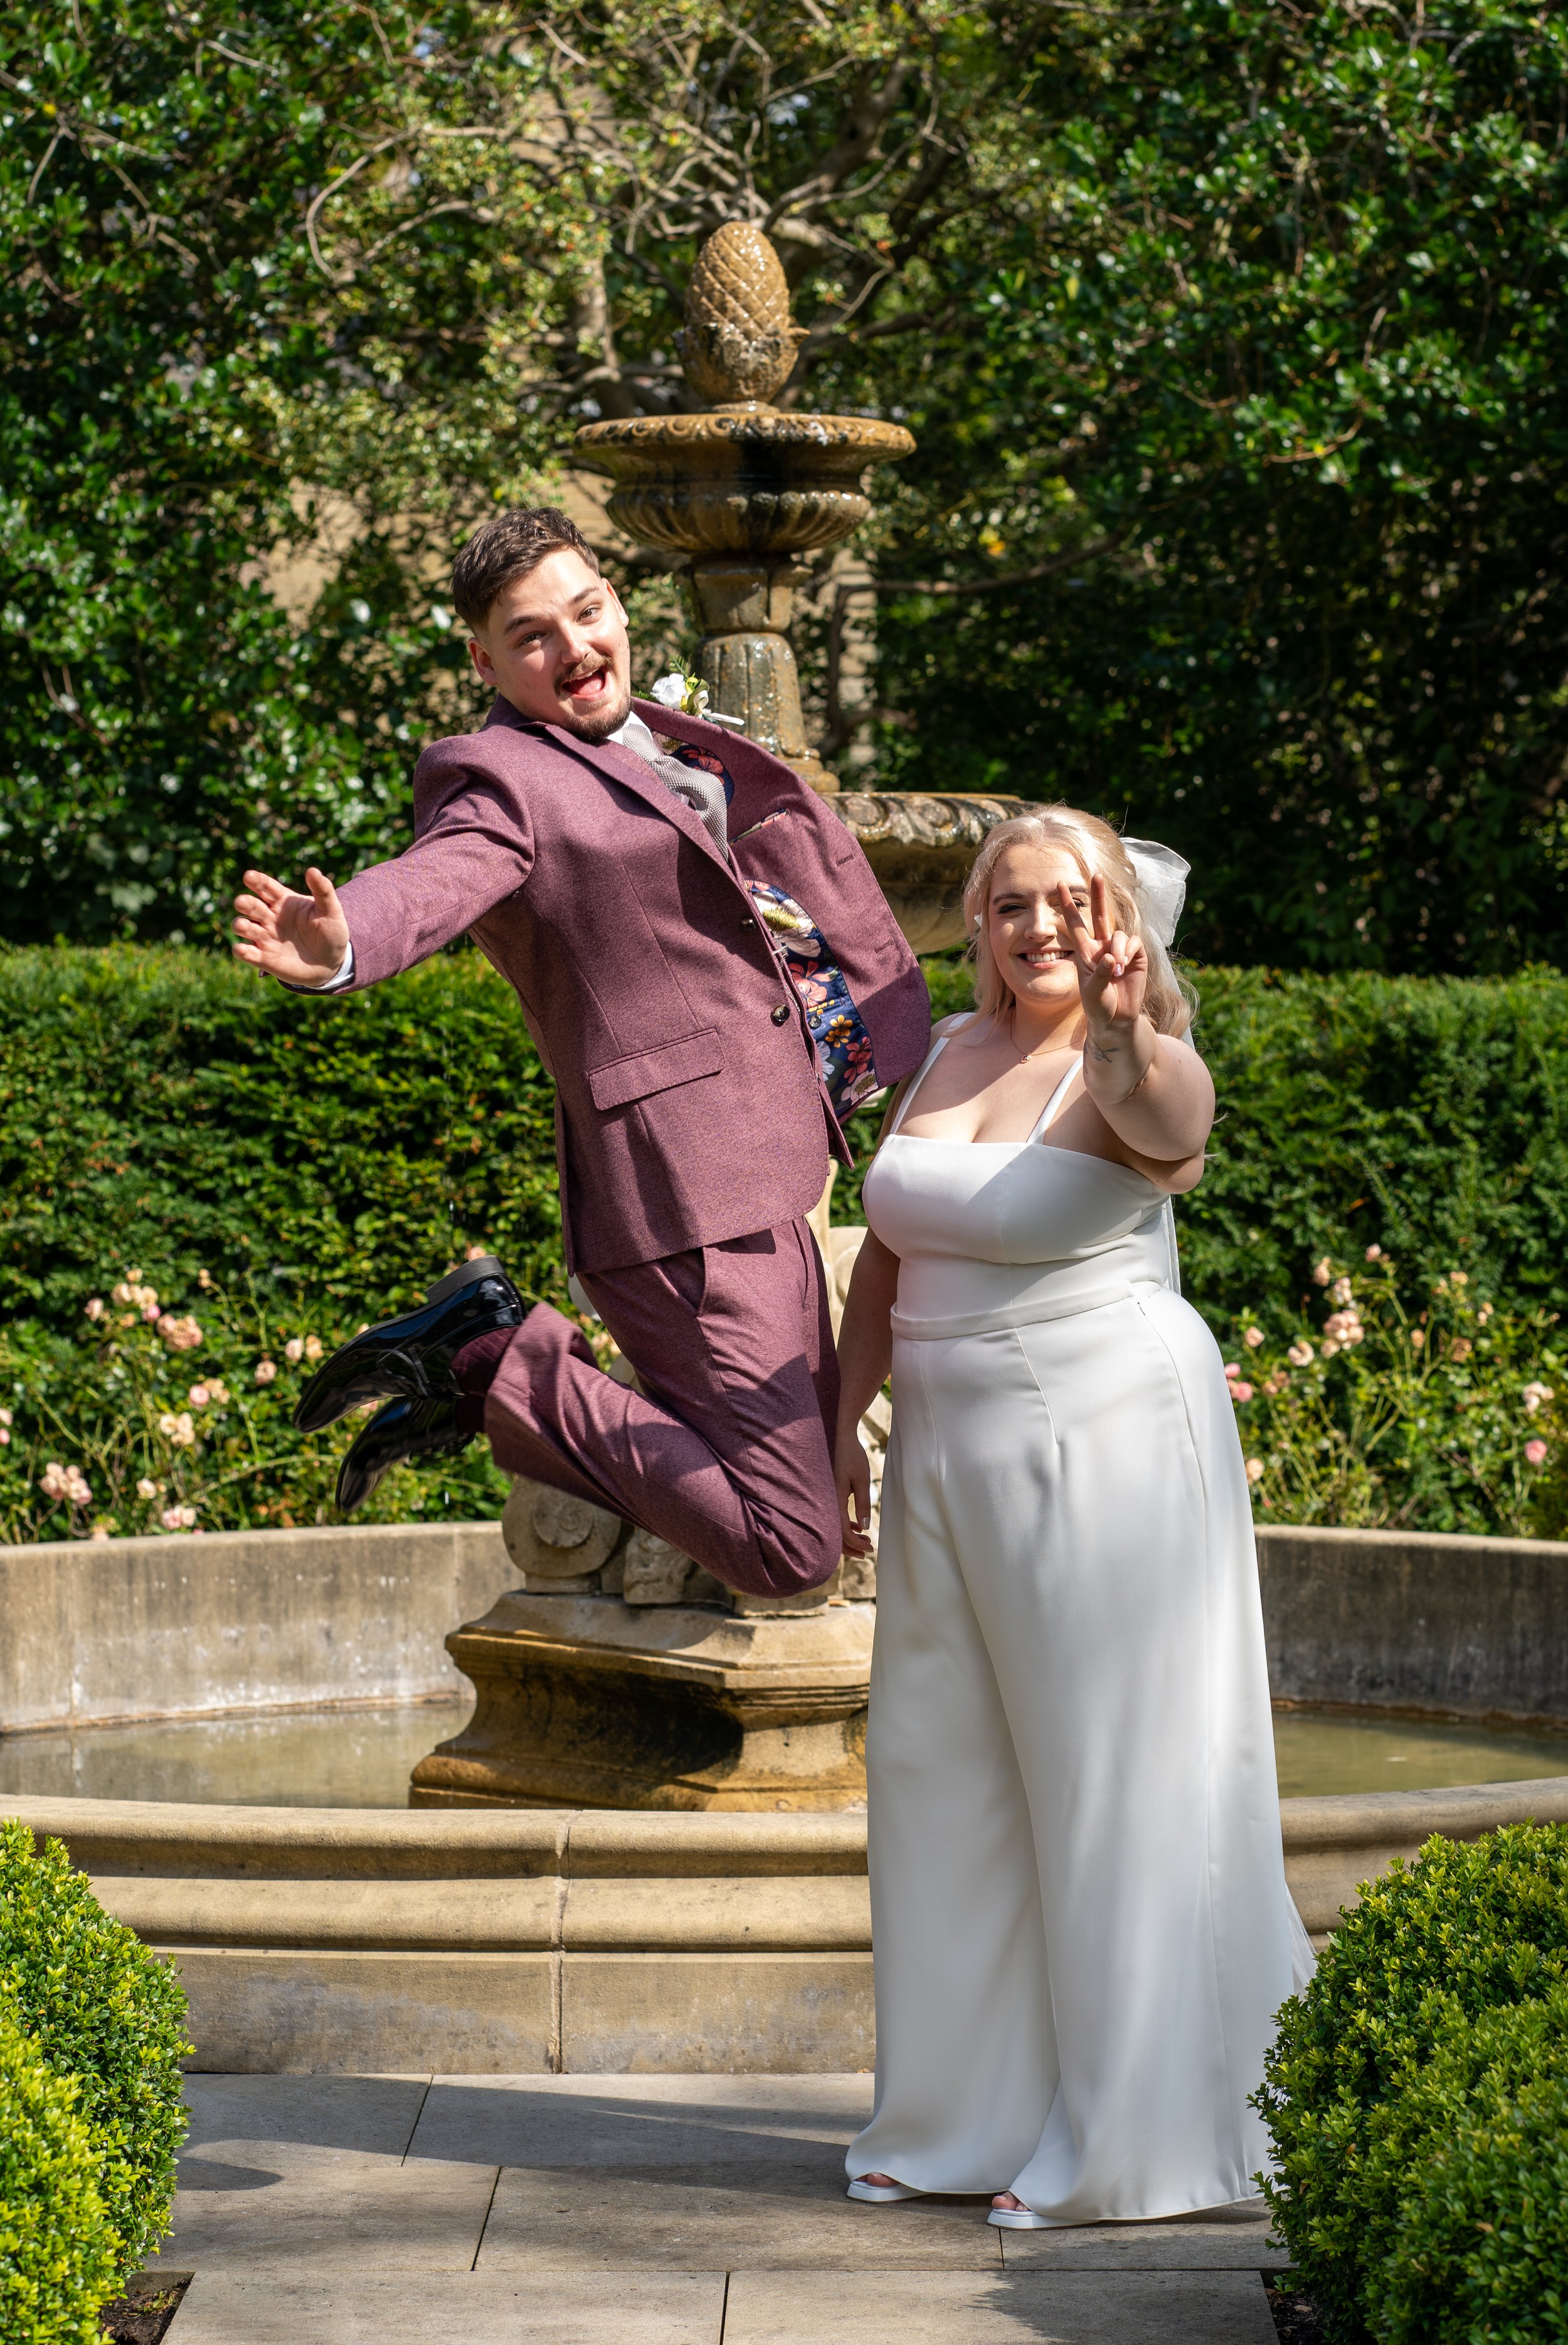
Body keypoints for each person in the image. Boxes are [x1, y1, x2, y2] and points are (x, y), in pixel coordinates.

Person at [230, 506, 930, 1597]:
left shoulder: (657, 735)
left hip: (773, 1179)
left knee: (820, 1512)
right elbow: (438, 877)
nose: (575, 648)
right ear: (486, 660)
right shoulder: (500, 778)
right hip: (681, 1207)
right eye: (532, 637)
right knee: (792, 1551)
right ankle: (490, 1357)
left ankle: (491, 1348)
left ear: (616, 599)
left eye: (587, 610)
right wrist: (344, 942)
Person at [832, 807, 1313, 2228]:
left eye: (1068, 901)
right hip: (940, 1449)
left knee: (1112, 1780)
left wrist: (1119, 1031)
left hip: (1098, 1441)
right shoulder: (943, 1053)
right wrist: (831, 1434)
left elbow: (1174, 1127)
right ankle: (956, 2120)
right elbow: (885, 1259)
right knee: (943, 1778)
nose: (1037, 925)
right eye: (1008, 904)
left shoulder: (1130, 1064)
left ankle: (1134, 2143)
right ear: (974, 923)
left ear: (1117, 921)